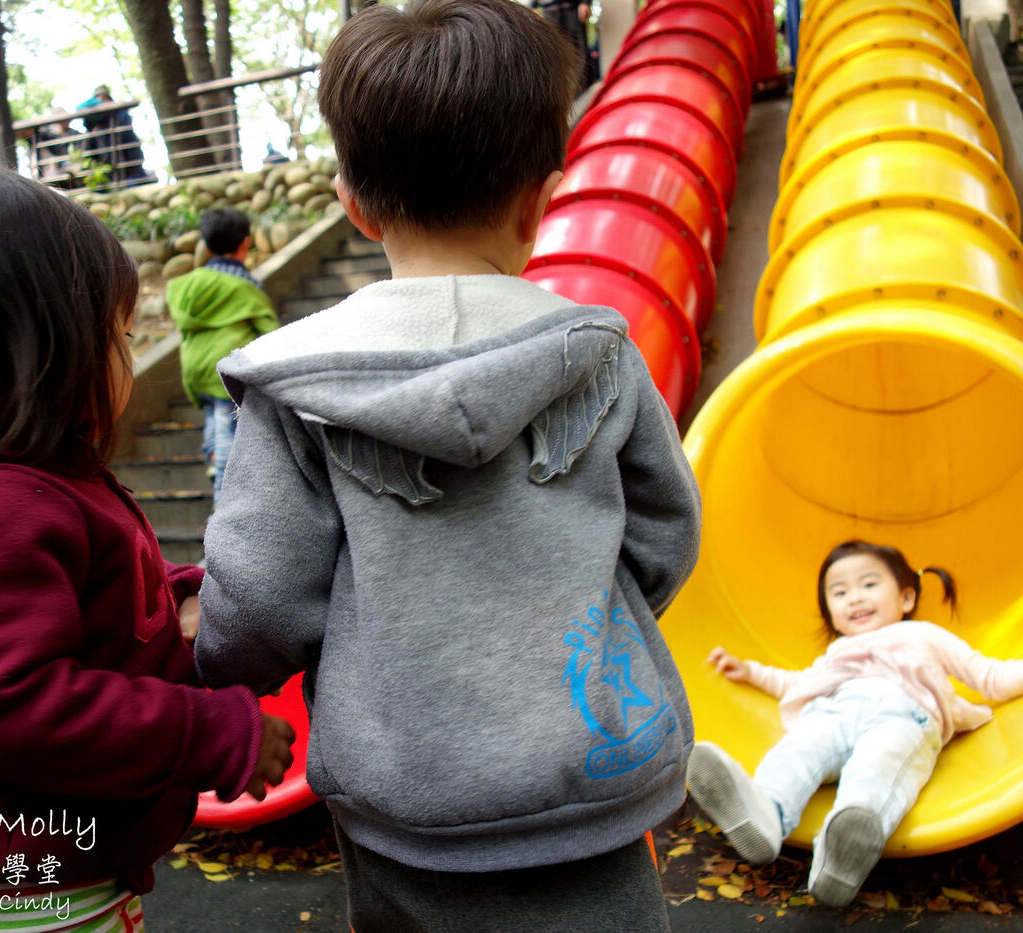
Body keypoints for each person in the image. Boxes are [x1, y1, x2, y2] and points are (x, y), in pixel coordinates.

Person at [193, 0, 703, 929]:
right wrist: (588, 629)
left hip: (403, 798)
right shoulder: (600, 354)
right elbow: (666, 533)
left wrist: (220, 666)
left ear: (353, 202)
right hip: (593, 774)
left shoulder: (295, 386)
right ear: (540, 199)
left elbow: (262, 594)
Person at [0, 169, 295, 931]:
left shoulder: (38, 487)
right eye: (115, 335)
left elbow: (100, 592)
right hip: (22, 897)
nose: (123, 352)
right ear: (36, 352)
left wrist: (186, 589)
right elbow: (12, 701)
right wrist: (216, 732)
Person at [688, 540, 1023, 908]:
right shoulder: (839, 652)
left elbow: (986, 675)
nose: (855, 598)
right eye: (840, 592)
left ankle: (844, 851)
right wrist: (748, 671)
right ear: (830, 611)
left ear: (905, 597)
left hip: (903, 716)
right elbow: (797, 682)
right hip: (834, 715)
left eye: (868, 584)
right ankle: (765, 815)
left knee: (878, 766)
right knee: (799, 749)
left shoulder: (922, 635)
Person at [166, 208, 279, 500]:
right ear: (245, 244)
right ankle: (223, 494)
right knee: (228, 428)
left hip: (195, 369)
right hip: (225, 371)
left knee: (213, 420)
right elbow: (270, 331)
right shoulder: (246, 286)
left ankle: (213, 458)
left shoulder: (185, 286)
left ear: (204, 246)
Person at [77, 85, 155, 188]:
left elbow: (128, 133)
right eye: (98, 97)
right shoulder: (92, 116)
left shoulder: (120, 112)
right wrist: (100, 106)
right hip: (103, 157)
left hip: (125, 155)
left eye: (104, 98)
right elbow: (79, 109)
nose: (101, 100)